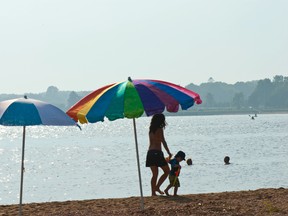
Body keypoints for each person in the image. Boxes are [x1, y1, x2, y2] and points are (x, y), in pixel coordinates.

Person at [146, 113, 172, 196]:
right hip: (157, 152)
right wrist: (168, 152)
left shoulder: (151, 129)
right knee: (167, 171)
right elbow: (163, 141)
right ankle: (157, 187)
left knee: (154, 174)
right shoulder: (159, 129)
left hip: (150, 153)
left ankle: (153, 192)